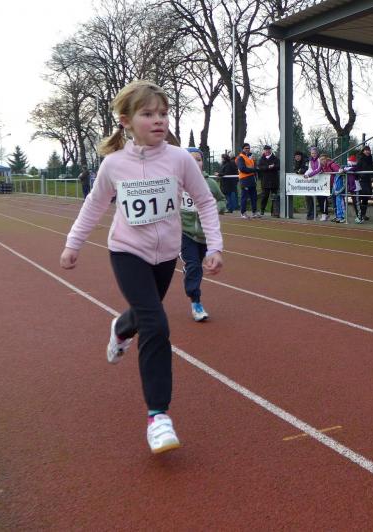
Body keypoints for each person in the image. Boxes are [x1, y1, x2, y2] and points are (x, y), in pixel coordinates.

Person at [60, 80, 224, 454]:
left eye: (163, 113)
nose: (159, 120)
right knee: (156, 324)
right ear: (126, 121)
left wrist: (215, 245)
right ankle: (158, 417)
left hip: (166, 256)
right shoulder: (114, 164)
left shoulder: (180, 159)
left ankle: (121, 328)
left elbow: (204, 201)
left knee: (144, 314)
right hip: (127, 252)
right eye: (148, 114)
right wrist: (73, 244)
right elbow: (94, 205)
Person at [180, 147, 226, 322]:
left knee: (198, 265)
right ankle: (196, 302)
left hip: (205, 236)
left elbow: (221, 199)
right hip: (185, 233)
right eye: (190, 159)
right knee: (194, 266)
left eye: (198, 159)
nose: (195, 163)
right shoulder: (177, 182)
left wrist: (217, 208)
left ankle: (189, 270)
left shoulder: (210, 184)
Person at [304, 146, 329, 220]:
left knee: (322, 198)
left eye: (314, 153)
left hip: (322, 181)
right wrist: (306, 174)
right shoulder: (310, 160)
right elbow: (310, 169)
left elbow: (318, 170)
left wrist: (309, 175)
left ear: (317, 153)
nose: (313, 154)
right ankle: (322, 214)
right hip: (315, 182)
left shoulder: (319, 159)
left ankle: (325, 214)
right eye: (312, 153)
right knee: (318, 198)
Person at [236, 142, 259, 219]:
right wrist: (253, 170)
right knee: (244, 197)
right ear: (243, 149)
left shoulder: (250, 157)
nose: (247, 149)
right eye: (246, 148)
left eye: (248, 148)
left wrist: (255, 168)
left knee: (254, 197)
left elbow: (253, 166)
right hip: (244, 179)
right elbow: (242, 168)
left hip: (252, 179)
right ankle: (243, 212)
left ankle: (254, 212)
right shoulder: (240, 157)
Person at [256, 145, 280, 217]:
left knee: (274, 197)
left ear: (270, 150)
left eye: (268, 150)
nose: (267, 151)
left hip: (274, 181)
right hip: (265, 181)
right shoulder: (261, 159)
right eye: (266, 150)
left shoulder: (275, 158)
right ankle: (262, 210)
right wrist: (268, 167)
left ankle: (274, 212)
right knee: (264, 197)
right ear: (264, 151)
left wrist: (273, 166)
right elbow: (260, 167)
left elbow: (279, 166)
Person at [317, 153, 340, 221]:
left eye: (324, 159)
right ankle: (325, 214)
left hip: (335, 185)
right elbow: (315, 171)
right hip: (327, 185)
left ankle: (338, 215)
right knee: (320, 196)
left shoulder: (332, 164)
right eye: (321, 159)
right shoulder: (321, 166)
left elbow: (339, 171)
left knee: (335, 199)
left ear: (327, 159)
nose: (323, 161)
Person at [354, 146, 373, 223]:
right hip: (361, 181)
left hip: (367, 180)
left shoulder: (370, 159)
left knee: (366, 198)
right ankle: (359, 215)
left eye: (369, 150)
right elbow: (358, 168)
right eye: (366, 150)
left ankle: (363, 214)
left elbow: (371, 168)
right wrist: (360, 177)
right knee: (360, 198)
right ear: (363, 151)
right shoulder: (360, 158)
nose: (367, 151)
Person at [332, 159, 347, 223]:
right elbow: (334, 183)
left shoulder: (343, 176)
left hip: (340, 193)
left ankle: (343, 217)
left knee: (342, 205)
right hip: (336, 193)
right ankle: (339, 216)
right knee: (337, 205)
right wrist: (334, 190)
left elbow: (344, 185)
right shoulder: (336, 175)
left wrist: (339, 191)